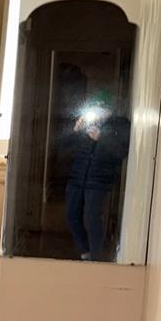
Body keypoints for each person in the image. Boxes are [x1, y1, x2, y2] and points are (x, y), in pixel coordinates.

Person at [61, 91, 130, 260]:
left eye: (101, 107)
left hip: (100, 180)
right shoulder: (85, 124)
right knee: (71, 215)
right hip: (77, 178)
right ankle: (85, 253)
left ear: (109, 109)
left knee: (92, 219)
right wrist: (75, 130)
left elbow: (121, 152)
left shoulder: (120, 125)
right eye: (94, 107)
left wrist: (102, 138)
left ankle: (97, 259)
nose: (97, 111)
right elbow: (63, 147)